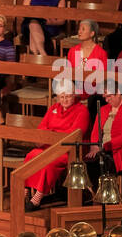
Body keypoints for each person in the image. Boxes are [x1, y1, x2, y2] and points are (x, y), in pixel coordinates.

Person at [23, 79, 90, 210]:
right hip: (48, 146)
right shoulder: (54, 108)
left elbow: (75, 133)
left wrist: (52, 133)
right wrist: (53, 134)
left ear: (74, 95)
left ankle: (37, 197)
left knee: (48, 162)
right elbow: (42, 128)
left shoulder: (82, 111)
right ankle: (24, 192)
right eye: (62, 97)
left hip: (67, 150)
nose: (65, 100)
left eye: (68, 96)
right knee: (31, 156)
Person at [86, 88, 122, 184]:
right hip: (102, 149)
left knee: (103, 165)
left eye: (109, 96)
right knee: (86, 164)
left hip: (119, 150)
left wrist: (105, 146)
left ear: (119, 94)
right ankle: (94, 195)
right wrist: (94, 145)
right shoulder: (103, 109)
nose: (106, 100)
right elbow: (95, 131)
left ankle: (107, 194)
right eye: (104, 97)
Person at [66, 18, 108, 103]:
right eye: (79, 29)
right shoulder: (73, 51)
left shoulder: (100, 53)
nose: (79, 32)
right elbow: (68, 74)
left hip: (93, 93)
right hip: (74, 91)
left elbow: (102, 78)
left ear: (92, 33)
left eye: (83, 29)